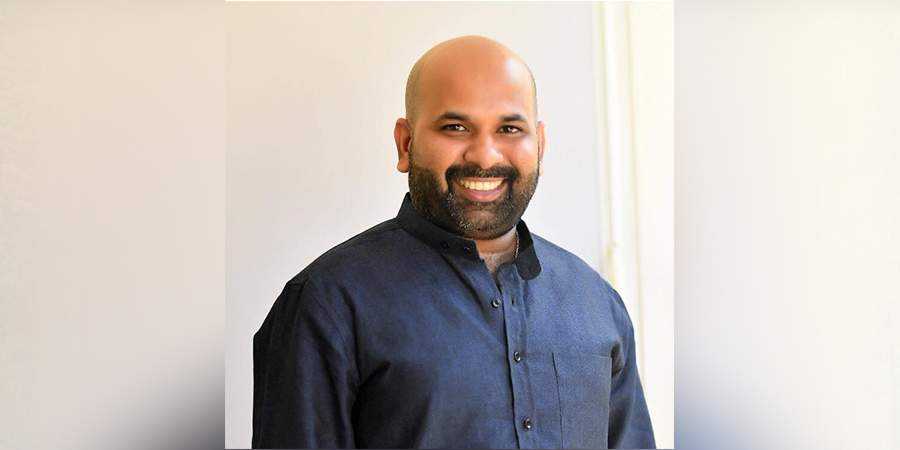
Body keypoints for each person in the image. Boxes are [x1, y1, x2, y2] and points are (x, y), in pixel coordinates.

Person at [252, 35, 655, 449]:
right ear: (406, 143)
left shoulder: (597, 304)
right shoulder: (327, 304)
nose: (485, 156)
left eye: (509, 129)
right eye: (456, 128)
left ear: (540, 144)